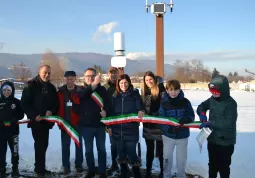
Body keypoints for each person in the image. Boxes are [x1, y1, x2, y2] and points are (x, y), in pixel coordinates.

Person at [21, 65, 59, 176]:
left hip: (46, 121)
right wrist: (34, 115)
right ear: (39, 72)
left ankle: (40, 167)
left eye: (49, 73)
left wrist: (51, 111)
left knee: (44, 144)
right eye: (45, 72)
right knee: (39, 144)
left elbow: (56, 103)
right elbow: (24, 103)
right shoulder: (31, 85)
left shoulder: (51, 87)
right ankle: (39, 170)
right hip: (36, 121)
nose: (47, 75)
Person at [197, 75, 237, 178]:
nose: (213, 94)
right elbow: (202, 106)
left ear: (223, 90)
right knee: (212, 166)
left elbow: (228, 122)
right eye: (212, 91)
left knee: (223, 168)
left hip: (225, 143)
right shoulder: (212, 99)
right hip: (212, 140)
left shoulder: (231, 103)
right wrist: (202, 113)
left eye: (216, 91)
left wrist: (210, 123)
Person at [77, 68, 112, 178]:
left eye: (92, 76)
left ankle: (102, 171)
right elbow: (82, 96)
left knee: (101, 149)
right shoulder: (80, 89)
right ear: (84, 77)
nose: (90, 78)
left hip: (100, 125)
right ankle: (91, 170)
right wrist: (94, 85)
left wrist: (106, 111)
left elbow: (109, 105)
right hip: (86, 126)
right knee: (88, 151)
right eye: (88, 76)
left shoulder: (102, 90)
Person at [107, 74, 144, 178]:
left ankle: (136, 172)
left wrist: (141, 110)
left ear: (129, 83)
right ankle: (124, 171)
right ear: (118, 84)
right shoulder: (115, 96)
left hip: (131, 130)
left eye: (126, 82)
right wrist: (109, 126)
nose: (124, 85)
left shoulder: (135, 95)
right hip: (117, 130)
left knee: (132, 152)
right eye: (121, 83)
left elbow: (140, 107)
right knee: (121, 153)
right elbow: (111, 113)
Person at [158, 80, 194, 178]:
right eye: (171, 90)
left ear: (179, 90)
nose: (173, 92)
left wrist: (186, 119)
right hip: (168, 136)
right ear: (167, 90)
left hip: (182, 136)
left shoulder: (185, 102)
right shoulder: (164, 103)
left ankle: (181, 175)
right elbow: (161, 119)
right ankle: (166, 175)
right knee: (167, 158)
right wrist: (168, 129)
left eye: (176, 90)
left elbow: (191, 115)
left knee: (181, 160)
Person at [57, 71, 84, 175]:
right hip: (65, 123)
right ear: (65, 79)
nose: (70, 81)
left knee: (79, 145)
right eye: (68, 79)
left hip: (77, 123)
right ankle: (66, 166)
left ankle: (78, 164)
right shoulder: (60, 91)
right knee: (65, 146)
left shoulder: (80, 91)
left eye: (72, 79)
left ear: (75, 79)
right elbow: (57, 106)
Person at [141, 71, 165, 178]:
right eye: (146, 80)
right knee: (149, 149)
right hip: (148, 126)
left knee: (160, 150)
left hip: (159, 125)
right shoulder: (144, 92)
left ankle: (162, 170)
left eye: (150, 79)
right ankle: (148, 170)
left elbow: (164, 106)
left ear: (154, 79)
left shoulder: (161, 91)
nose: (148, 82)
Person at [0, 81, 24, 177]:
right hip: (1, 132)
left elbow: (21, 114)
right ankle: (2, 169)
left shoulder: (16, 102)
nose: (6, 92)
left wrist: (14, 119)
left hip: (13, 132)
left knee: (14, 151)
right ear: (2, 91)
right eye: (4, 90)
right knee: (1, 151)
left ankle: (15, 168)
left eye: (8, 90)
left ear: (12, 91)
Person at [103, 67, 120, 175]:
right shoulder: (104, 88)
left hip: (123, 121)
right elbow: (102, 106)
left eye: (115, 73)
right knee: (113, 145)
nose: (113, 75)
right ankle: (114, 163)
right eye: (111, 73)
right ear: (108, 75)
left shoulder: (123, 85)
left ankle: (123, 164)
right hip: (111, 122)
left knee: (123, 144)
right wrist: (106, 125)